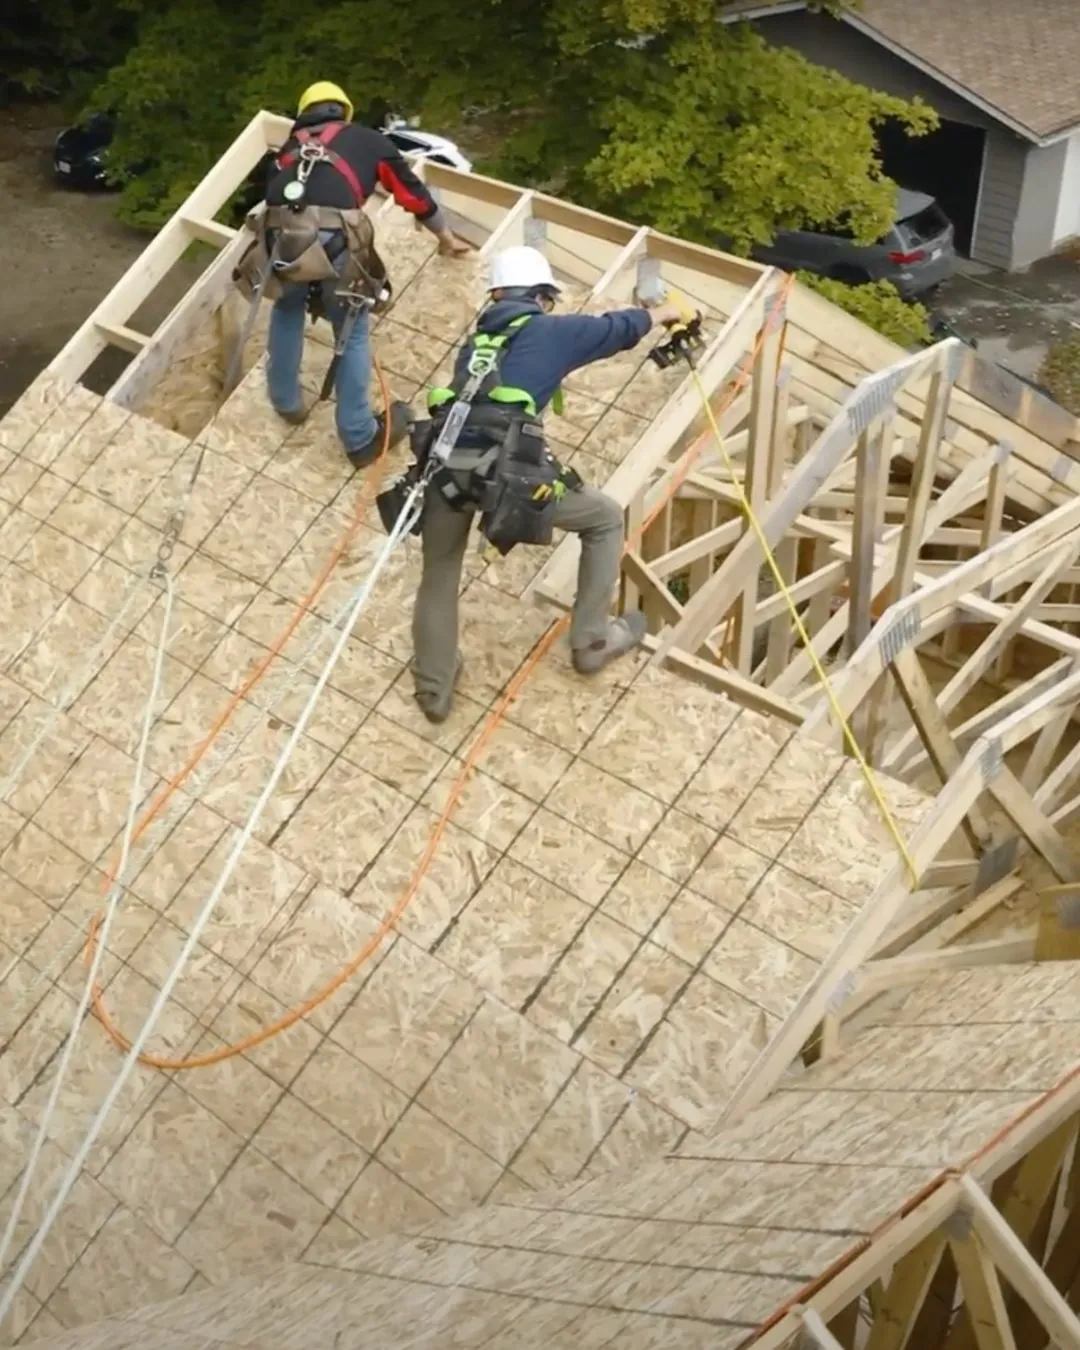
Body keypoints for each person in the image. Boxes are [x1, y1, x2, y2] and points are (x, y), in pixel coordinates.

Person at [409, 244, 688, 723]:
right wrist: (667, 312)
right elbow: (617, 330)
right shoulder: (551, 330)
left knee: (439, 569)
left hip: (447, 469)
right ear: (542, 296)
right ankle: (591, 640)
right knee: (602, 517)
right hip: (506, 475)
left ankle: (434, 688)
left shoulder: (477, 343)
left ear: (496, 294)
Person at [257, 81, 470, 465]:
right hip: (336, 240)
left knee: (287, 309)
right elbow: (413, 195)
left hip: (282, 242)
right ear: (344, 112)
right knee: (351, 331)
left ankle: (286, 400)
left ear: (306, 113)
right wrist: (445, 237)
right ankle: (359, 438)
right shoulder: (369, 142)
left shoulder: (287, 150)